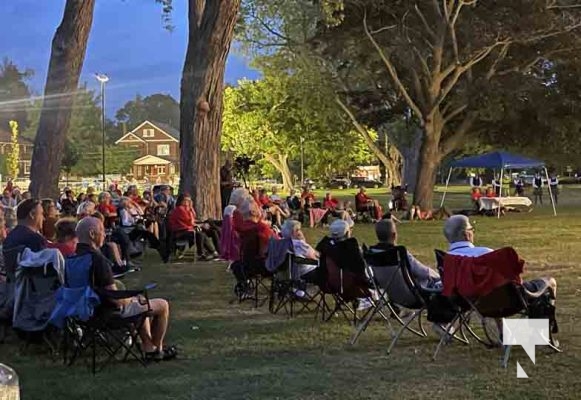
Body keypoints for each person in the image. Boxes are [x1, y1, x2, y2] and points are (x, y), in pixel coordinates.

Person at [75, 217, 176, 361]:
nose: (105, 235)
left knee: (139, 304)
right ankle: (157, 349)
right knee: (162, 305)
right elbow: (116, 299)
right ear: (92, 234)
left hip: (83, 313)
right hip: (107, 313)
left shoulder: (73, 258)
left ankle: (149, 347)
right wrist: (131, 300)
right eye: (102, 231)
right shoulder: (97, 260)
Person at [443, 215, 557, 295]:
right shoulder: (486, 254)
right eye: (471, 229)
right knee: (550, 282)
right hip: (505, 299)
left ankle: (503, 329)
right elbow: (515, 280)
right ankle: (541, 327)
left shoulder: (447, 259)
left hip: (470, 302)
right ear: (466, 234)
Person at [370, 218, 441, 289]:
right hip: (412, 294)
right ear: (394, 235)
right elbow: (423, 272)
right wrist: (438, 276)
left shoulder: (372, 254)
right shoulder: (398, 253)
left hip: (390, 293)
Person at [3, 199, 47, 275]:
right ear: (32, 215)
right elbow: (42, 272)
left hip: (12, 284)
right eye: (41, 214)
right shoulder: (35, 239)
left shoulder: (9, 238)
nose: (43, 218)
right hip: (29, 284)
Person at [168, 194, 217, 261]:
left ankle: (212, 252)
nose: (188, 202)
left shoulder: (186, 208)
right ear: (181, 201)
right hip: (180, 232)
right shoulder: (180, 209)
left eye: (189, 200)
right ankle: (204, 253)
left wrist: (191, 208)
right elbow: (190, 221)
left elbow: (193, 218)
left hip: (187, 229)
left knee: (203, 233)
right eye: (186, 200)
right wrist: (201, 225)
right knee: (199, 234)